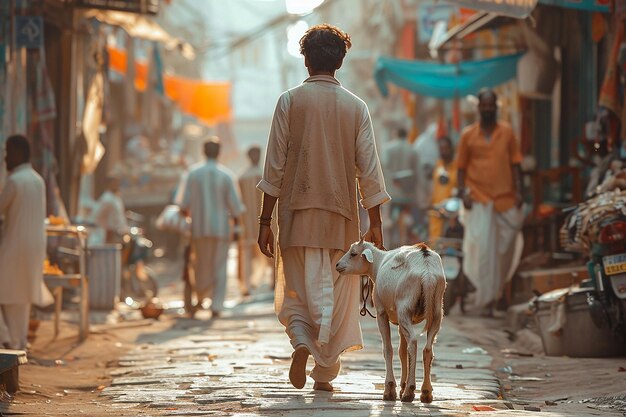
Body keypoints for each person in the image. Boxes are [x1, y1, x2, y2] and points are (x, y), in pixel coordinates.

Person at [257, 24, 389, 392]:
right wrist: (375, 222)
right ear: (341, 61)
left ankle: (301, 341)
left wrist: (264, 221)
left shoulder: (288, 101)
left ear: (305, 60)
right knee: (337, 298)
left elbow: (274, 168)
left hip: (295, 218)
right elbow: (370, 172)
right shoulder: (356, 107)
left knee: (298, 290)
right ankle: (325, 371)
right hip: (341, 221)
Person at [457, 88, 524, 316]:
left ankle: (497, 294)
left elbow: (516, 165)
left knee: (506, 249)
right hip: (479, 199)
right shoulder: (468, 135)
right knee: (483, 252)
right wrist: (462, 193)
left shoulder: (507, 132)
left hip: (505, 199)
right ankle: (486, 300)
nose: (487, 109)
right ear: (479, 108)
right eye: (483, 105)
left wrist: (520, 191)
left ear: (496, 107)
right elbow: (460, 169)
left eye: (491, 105)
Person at [177, 137, 245, 317]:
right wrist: (237, 229)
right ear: (219, 152)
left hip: (199, 229)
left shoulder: (193, 174)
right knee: (220, 266)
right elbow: (236, 208)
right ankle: (216, 305)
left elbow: (183, 206)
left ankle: (201, 297)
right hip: (221, 229)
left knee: (199, 265)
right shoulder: (226, 175)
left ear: (203, 151)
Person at [0, 135, 52, 349]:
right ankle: (17, 343)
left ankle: (8, 340)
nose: (5, 158)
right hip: (35, 247)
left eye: (8, 152)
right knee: (21, 299)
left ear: (19, 153)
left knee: (12, 293)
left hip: (14, 246)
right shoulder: (37, 180)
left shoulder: (14, 181)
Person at [238, 145, 273, 295]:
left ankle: (250, 286)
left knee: (250, 255)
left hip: (249, 223)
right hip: (258, 223)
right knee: (260, 253)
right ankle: (250, 286)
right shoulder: (265, 175)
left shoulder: (242, 177)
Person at [381, 127, 419, 248]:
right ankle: (405, 246)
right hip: (407, 194)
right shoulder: (412, 149)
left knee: (388, 224)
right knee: (407, 223)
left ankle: (387, 246)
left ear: (395, 134)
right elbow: (417, 172)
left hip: (390, 193)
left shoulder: (387, 148)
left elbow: (383, 168)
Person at [429, 136, 458, 240]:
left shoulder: (458, 167)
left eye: (446, 148)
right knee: (435, 245)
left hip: (452, 214)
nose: (443, 152)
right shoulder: (438, 165)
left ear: (452, 149)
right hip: (436, 212)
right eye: (441, 149)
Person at [91, 176, 128, 244]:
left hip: (119, 233)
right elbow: (97, 216)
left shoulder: (116, 197)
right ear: (109, 184)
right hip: (110, 234)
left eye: (117, 183)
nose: (116, 186)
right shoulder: (106, 199)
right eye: (114, 183)